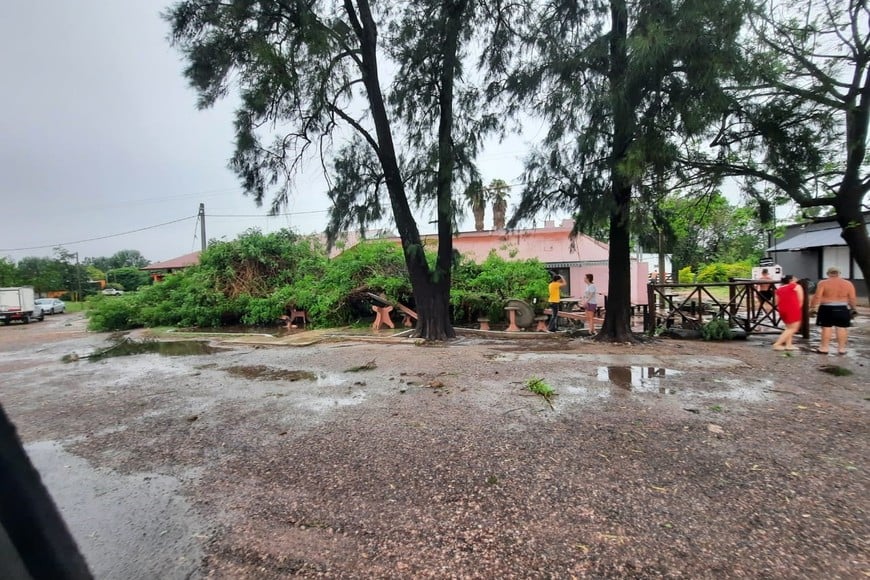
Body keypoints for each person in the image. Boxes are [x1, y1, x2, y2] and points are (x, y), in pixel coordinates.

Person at [809, 266, 857, 355]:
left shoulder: (823, 283)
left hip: (826, 308)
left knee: (826, 328)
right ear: (839, 273)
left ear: (828, 274)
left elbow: (817, 296)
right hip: (842, 308)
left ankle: (824, 348)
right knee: (842, 328)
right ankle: (842, 349)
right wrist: (853, 308)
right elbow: (852, 298)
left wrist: (812, 306)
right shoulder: (848, 283)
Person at [771, 275, 804, 351]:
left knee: (788, 328)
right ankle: (777, 344)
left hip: (782, 309)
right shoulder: (796, 286)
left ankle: (789, 345)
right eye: (794, 278)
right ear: (791, 280)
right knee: (793, 328)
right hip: (793, 308)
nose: (796, 278)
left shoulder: (779, 289)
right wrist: (798, 309)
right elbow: (801, 299)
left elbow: (776, 301)